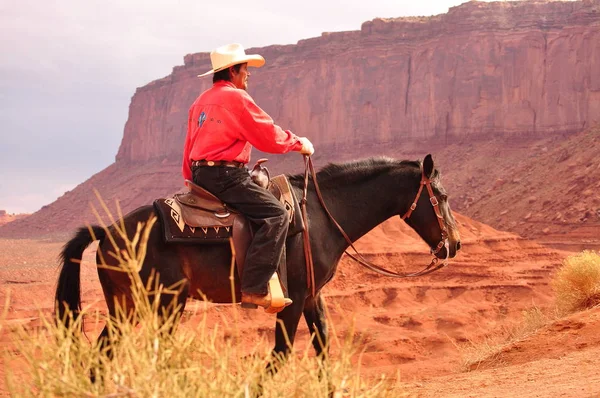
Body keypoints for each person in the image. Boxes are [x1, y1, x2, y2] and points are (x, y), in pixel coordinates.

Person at [182, 43, 314, 313]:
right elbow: (268, 135)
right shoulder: (237, 99)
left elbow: (189, 145)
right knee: (276, 214)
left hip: (201, 174)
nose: (248, 76)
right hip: (227, 175)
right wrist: (298, 143)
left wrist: (192, 181)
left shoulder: (199, 102)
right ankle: (254, 288)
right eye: (245, 70)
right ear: (232, 71)